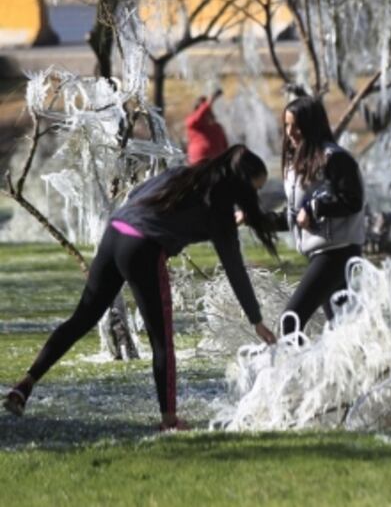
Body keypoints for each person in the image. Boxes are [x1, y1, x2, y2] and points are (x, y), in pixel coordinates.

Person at [3, 145, 279, 431]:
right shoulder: (219, 212)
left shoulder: (183, 176)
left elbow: (137, 196)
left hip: (116, 231)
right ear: (240, 185)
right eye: (254, 190)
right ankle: (169, 420)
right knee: (162, 341)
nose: (254, 197)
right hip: (143, 247)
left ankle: (24, 385)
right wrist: (256, 320)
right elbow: (235, 270)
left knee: (82, 318)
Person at [251, 96, 365, 337]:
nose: (290, 132)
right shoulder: (298, 164)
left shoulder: (335, 158)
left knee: (290, 321)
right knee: (344, 332)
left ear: (312, 125)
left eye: (296, 125)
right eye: (287, 126)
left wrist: (314, 208)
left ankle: (293, 374)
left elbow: (352, 200)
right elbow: (294, 217)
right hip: (321, 254)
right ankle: (363, 372)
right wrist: (255, 219)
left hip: (338, 253)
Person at [185, 89, 229, 165]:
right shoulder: (192, 122)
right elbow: (198, 117)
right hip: (199, 163)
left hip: (216, 165)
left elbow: (225, 147)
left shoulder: (217, 127)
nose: (208, 110)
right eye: (204, 108)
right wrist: (210, 100)